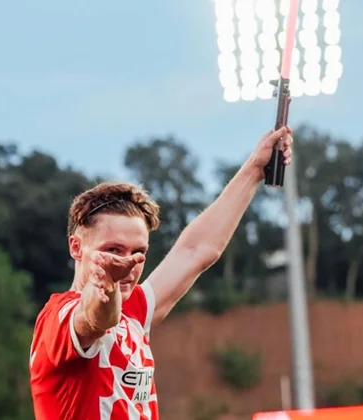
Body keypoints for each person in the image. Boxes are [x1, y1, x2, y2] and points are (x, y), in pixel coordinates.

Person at [29, 126, 294, 419]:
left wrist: (255, 168)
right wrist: (107, 286)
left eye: (137, 251)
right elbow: (95, 318)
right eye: (113, 250)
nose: (128, 263)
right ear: (76, 247)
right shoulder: (58, 317)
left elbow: (196, 250)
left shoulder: (135, 310)